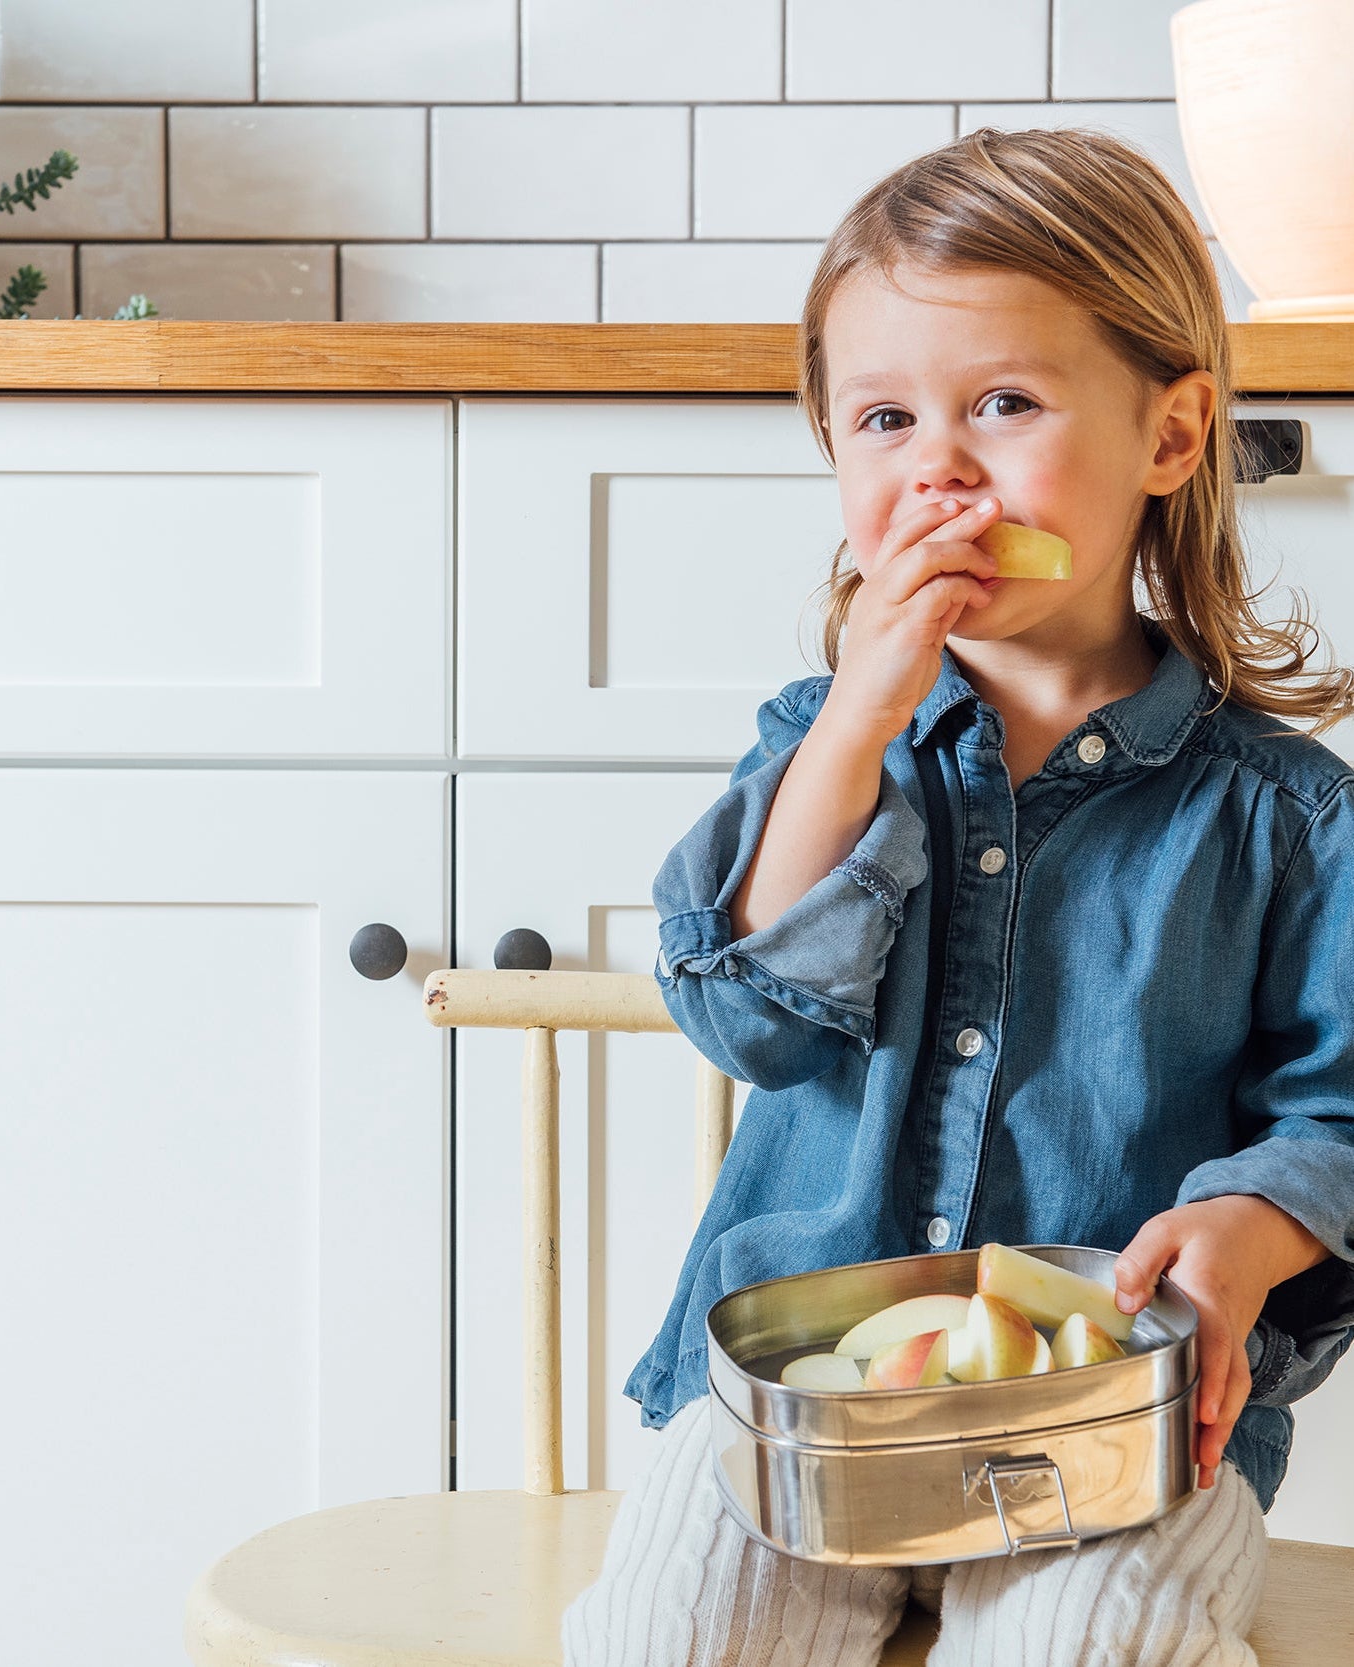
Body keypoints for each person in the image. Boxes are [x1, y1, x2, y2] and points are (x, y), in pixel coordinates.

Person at [561, 126, 1354, 1666]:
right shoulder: (818, 748)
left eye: (1003, 404)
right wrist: (860, 715)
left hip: (1114, 1423)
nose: (937, 466)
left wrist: (1255, 1227)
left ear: (1173, 435)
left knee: (1089, 1652)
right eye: (881, 419)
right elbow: (749, 1022)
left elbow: (1342, 1117)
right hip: (798, 1406)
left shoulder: (1289, 820)